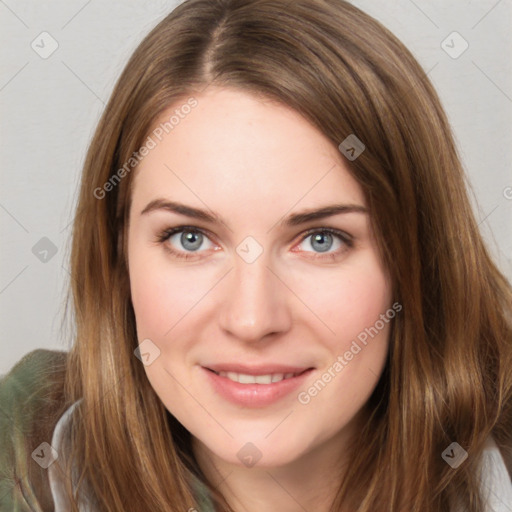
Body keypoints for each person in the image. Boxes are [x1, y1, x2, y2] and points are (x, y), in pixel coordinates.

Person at [1, 0, 511, 510]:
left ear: (417, 260)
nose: (251, 320)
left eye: (321, 239)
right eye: (190, 238)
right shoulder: (30, 451)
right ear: (118, 254)